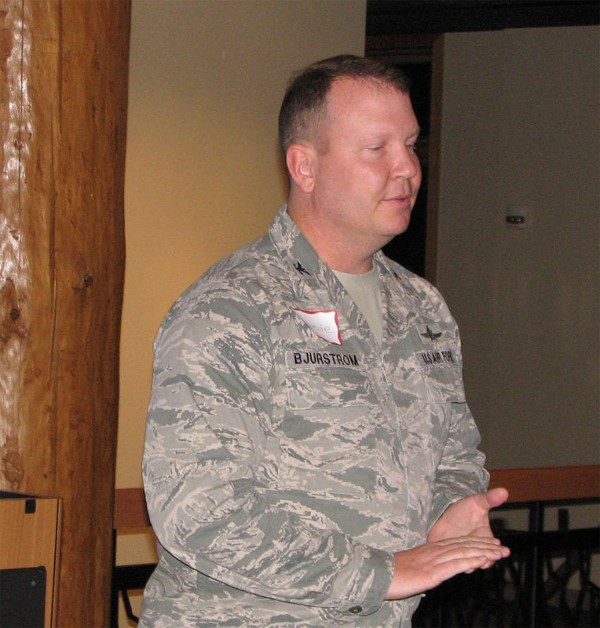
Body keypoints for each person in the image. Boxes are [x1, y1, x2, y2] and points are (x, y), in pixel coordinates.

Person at [140, 54, 509, 627]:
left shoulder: (422, 307)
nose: (407, 167)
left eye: (411, 144)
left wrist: (451, 506)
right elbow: (200, 509)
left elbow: (455, 450)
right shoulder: (232, 307)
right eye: (377, 148)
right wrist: (380, 574)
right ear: (305, 166)